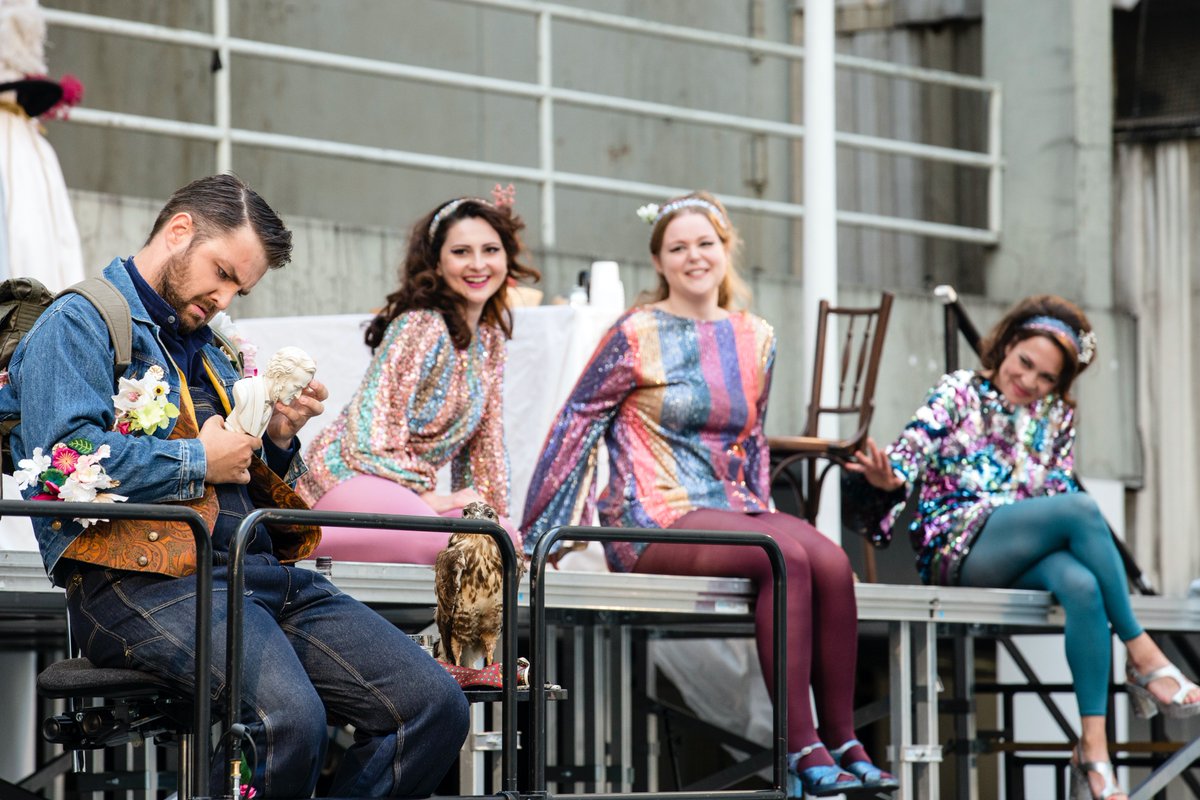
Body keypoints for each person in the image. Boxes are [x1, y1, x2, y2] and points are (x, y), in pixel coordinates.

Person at [3, 174, 468, 798]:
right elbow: (58, 468)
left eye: (238, 289)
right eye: (221, 274)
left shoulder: (217, 347)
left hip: (259, 575)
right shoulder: (78, 322)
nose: (223, 298)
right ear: (179, 230)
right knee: (287, 721)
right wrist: (199, 460)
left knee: (433, 706)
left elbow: (243, 479)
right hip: (139, 584)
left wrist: (276, 438)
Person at [522, 191, 897, 797]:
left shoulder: (756, 336)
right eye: (678, 247)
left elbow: (754, 441)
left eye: (705, 243)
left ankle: (843, 737)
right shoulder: (636, 332)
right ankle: (799, 743)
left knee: (830, 560)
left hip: (731, 506)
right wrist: (541, 534)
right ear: (659, 261)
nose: (693, 256)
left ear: (726, 250)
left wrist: (764, 510)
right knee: (782, 556)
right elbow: (575, 424)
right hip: (651, 515)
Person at [848, 294, 1200, 800]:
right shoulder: (959, 390)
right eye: (1025, 362)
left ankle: (1093, 751)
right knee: (1082, 510)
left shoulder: (1056, 416)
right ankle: (1143, 654)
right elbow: (908, 454)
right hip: (955, 544)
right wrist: (889, 479)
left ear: (1058, 384)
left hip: (1020, 547)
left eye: (1046, 377)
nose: (1029, 381)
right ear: (1007, 345)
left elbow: (1054, 492)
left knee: (1082, 585)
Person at [297, 186, 538, 564]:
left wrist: (490, 510)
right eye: (461, 252)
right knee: (453, 545)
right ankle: (295, 541)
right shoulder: (420, 325)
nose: (478, 264)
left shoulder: (489, 342)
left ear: (506, 258)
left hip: (402, 493)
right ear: (437, 263)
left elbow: (485, 451)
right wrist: (428, 496)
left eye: (490, 250)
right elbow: (369, 440)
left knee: (500, 539)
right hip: (346, 478)